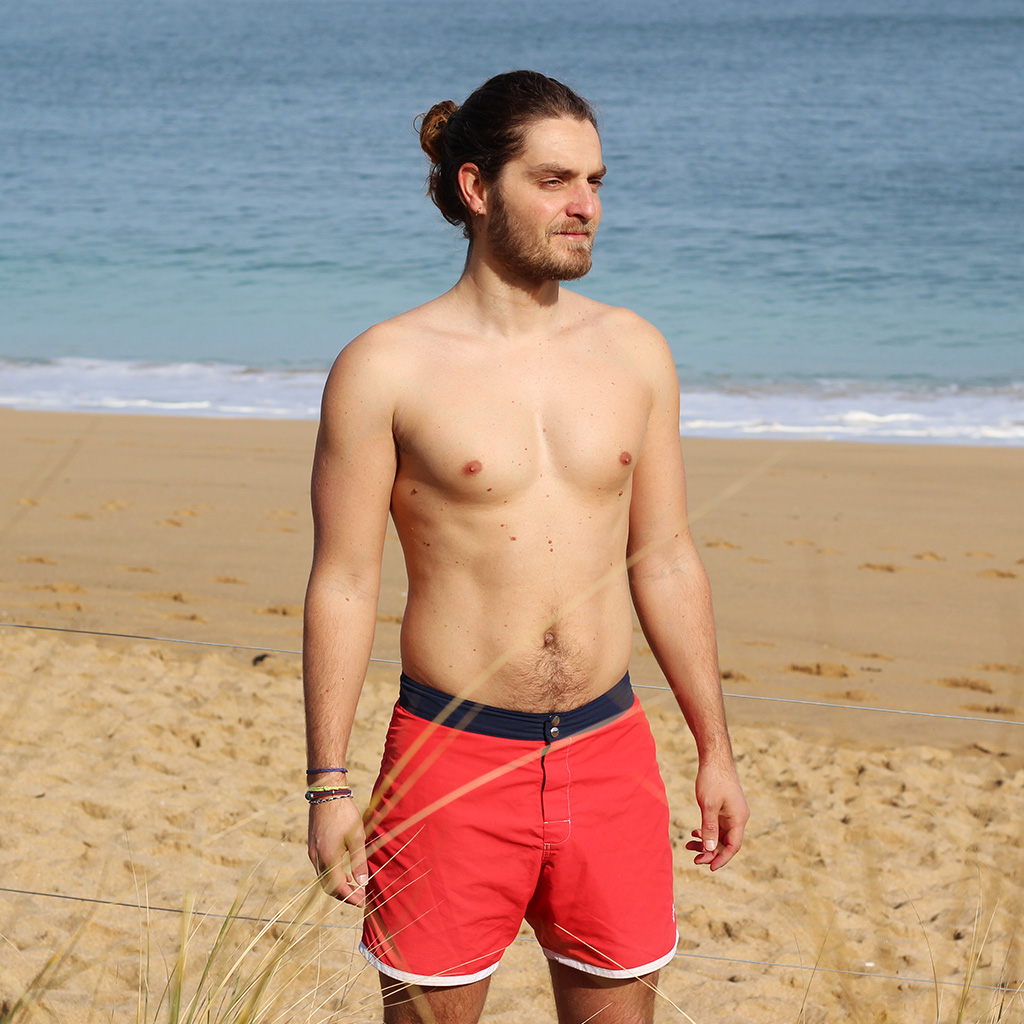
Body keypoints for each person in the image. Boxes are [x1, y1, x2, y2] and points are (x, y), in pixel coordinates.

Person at [303, 69, 749, 1024]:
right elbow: (343, 580)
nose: (585, 206)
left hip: (609, 752)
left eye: (595, 181)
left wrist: (715, 750)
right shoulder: (385, 367)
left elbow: (666, 557)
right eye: (554, 181)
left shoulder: (635, 350)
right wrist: (327, 785)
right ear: (476, 187)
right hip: (449, 762)